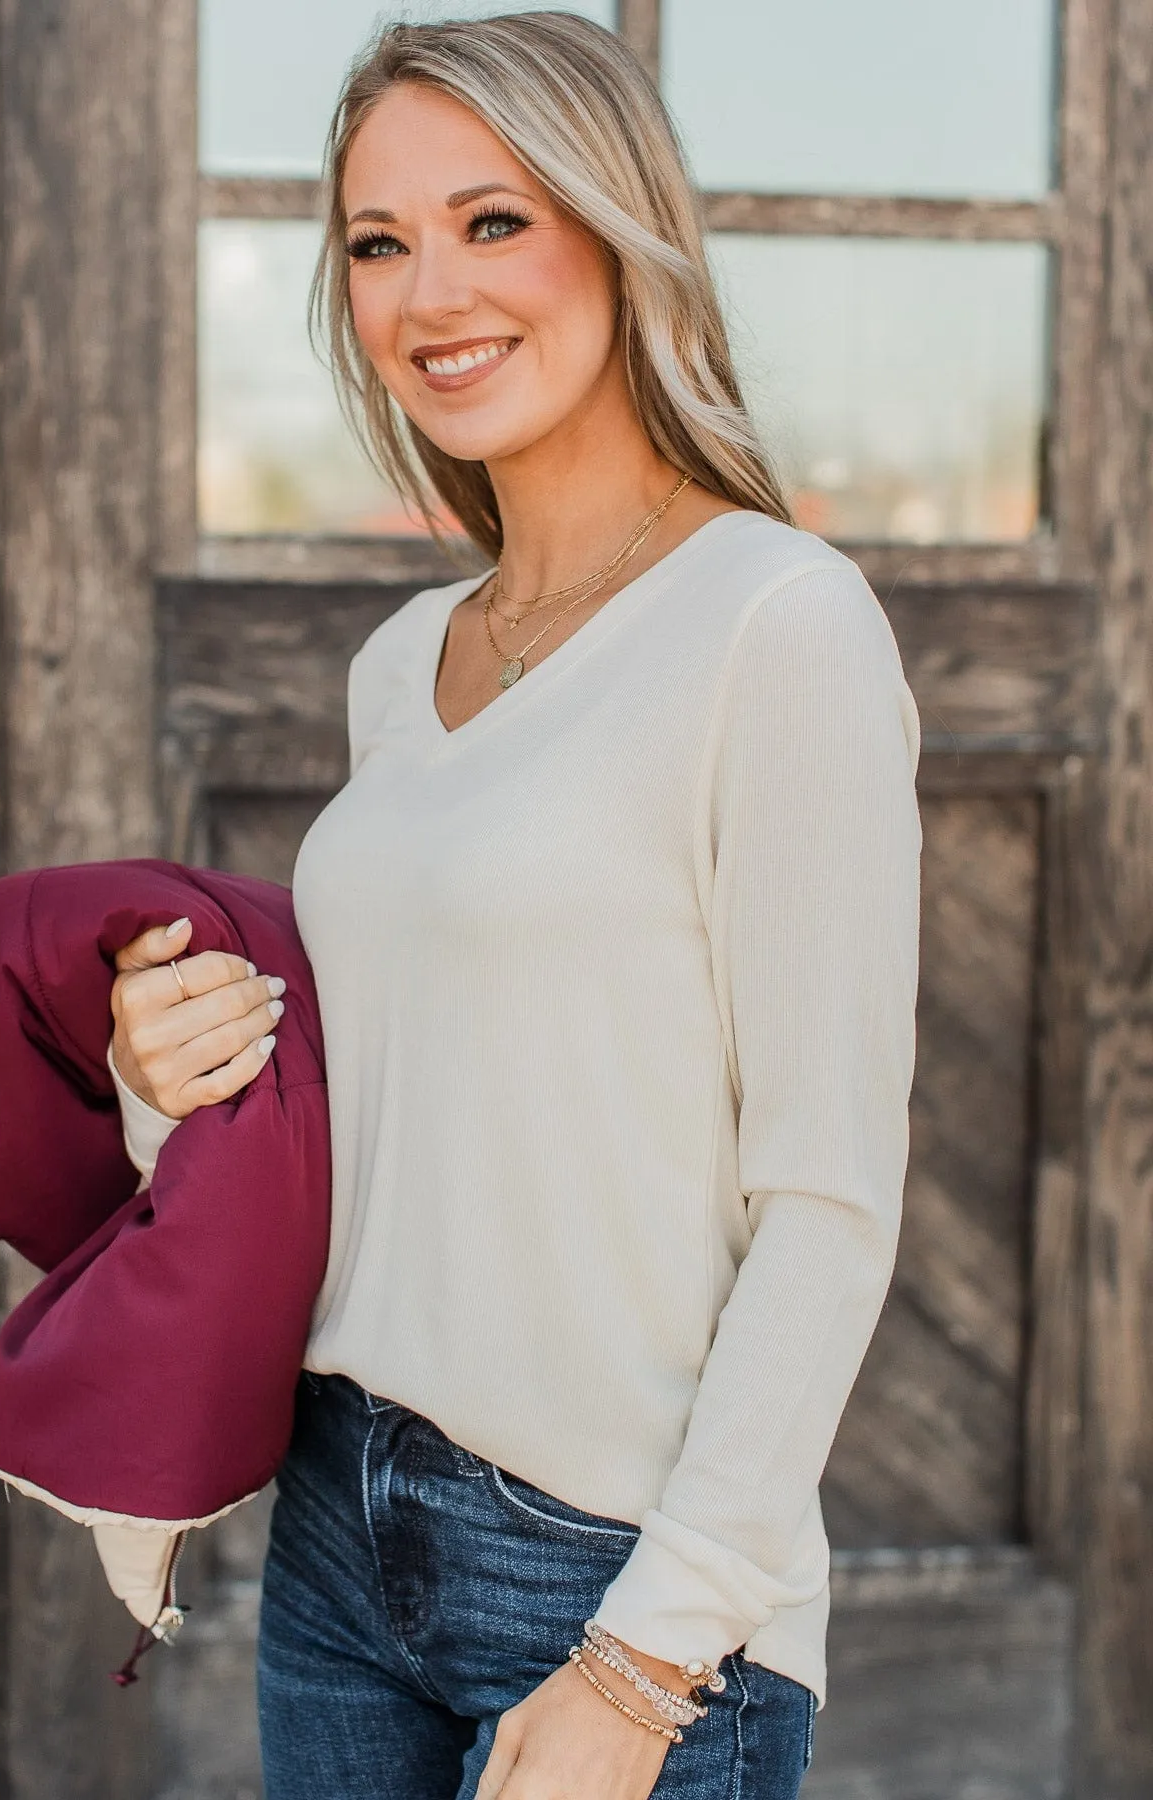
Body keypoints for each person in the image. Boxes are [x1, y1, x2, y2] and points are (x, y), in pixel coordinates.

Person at [108, 14, 922, 1798]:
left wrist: (643, 1664)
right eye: (379, 244)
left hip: (613, 1571)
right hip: (337, 1533)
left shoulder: (779, 627)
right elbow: (389, 1139)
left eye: (494, 221)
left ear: (620, 233)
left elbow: (831, 1203)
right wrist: (161, 1088)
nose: (429, 294)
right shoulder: (406, 661)